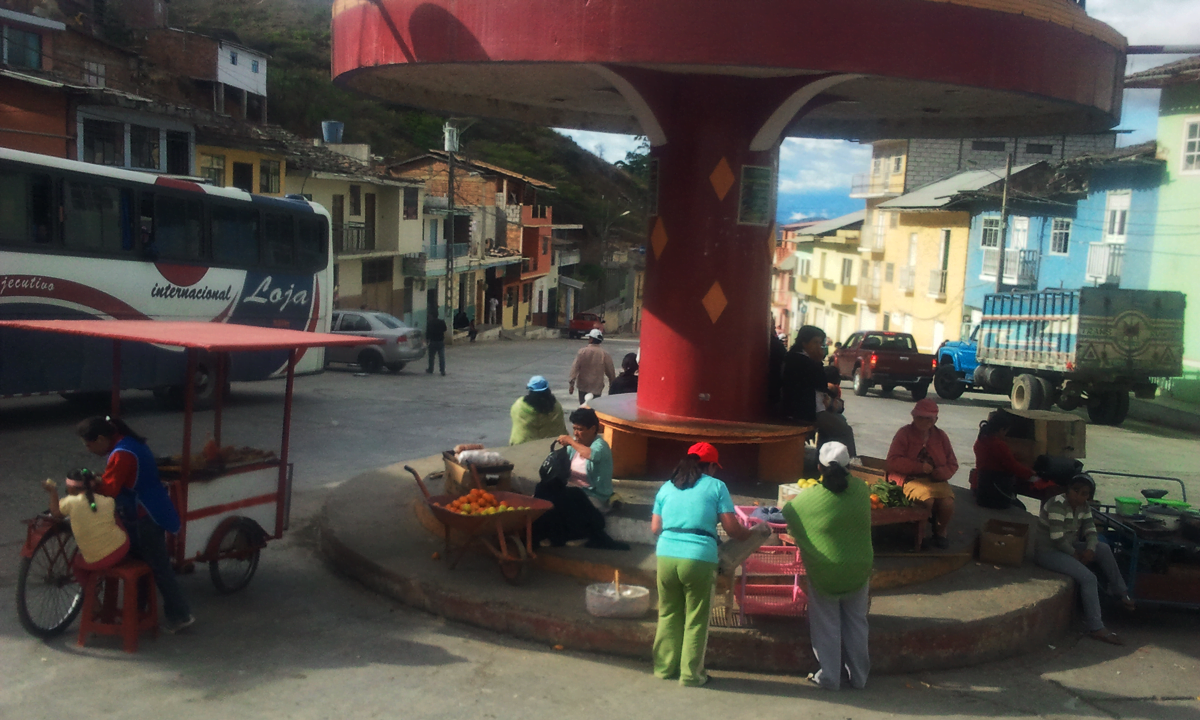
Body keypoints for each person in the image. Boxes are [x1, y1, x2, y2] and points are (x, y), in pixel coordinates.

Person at [79, 416, 194, 633]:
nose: (88, 449)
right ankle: (140, 611)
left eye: (88, 444)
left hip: (145, 514)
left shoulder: (122, 454)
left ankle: (181, 615)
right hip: (151, 509)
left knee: (160, 568)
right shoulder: (129, 443)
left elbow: (111, 490)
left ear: (102, 439)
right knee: (147, 563)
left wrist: (93, 485)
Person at [651, 442, 752, 687]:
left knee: (668, 613)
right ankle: (690, 675)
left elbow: (655, 528)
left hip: (665, 554)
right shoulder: (716, 486)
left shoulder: (666, 487)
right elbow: (731, 528)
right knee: (696, 618)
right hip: (698, 558)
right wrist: (749, 534)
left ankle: (664, 669)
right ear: (710, 467)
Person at [783, 442, 873, 691]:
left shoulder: (808, 499)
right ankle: (859, 678)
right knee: (856, 622)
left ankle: (830, 678)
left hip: (826, 571)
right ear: (849, 466)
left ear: (819, 467)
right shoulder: (862, 490)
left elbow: (788, 512)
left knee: (826, 624)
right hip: (859, 568)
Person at [1035, 473, 1135, 644]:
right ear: (1068, 490)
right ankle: (1096, 627)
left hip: (1070, 547)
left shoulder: (1085, 507)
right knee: (1089, 578)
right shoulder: (1057, 504)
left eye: (1084, 493)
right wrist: (1075, 554)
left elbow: (1091, 531)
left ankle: (1122, 592)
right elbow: (1057, 538)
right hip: (1048, 552)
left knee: (1102, 548)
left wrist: (1089, 549)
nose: (1079, 496)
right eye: (1076, 491)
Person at [886, 399, 958, 549]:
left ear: (935, 420)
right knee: (927, 500)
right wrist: (918, 467)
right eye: (920, 417)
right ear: (913, 417)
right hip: (909, 479)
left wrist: (942, 473)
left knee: (947, 502)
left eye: (928, 419)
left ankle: (940, 531)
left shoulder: (941, 436)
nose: (924, 422)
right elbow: (892, 461)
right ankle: (920, 535)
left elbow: (952, 463)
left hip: (935, 481)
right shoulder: (904, 433)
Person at [42, 469, 129, 586]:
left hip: (97, 561)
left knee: (77, 564)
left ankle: (91, 599)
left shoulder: (71, 502)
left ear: (71, 488)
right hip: (122, 548)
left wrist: (53, 492)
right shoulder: (108, 501)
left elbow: (55, 512)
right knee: (114, 519)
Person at [780, 325, 857, 456]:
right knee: (845, 430)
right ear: (804, 342)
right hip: (805, 411)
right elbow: (821, 383)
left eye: (820, 343)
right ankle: (852, 463)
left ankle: (823, 459)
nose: (818, 346)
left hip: (808, 408)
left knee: (837, 421)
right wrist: (819, 360)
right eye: (815, 342)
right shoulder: (801, 360)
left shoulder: (796, 357)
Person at [557, 407, 617, 513]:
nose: (575, 433)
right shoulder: (573, 446)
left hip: (593, 496)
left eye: (580, 429)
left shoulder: (601, 446)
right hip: (573, 490)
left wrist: (571, 441)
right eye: (574, 429)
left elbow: (591, 455)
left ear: (593, 429)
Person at [973, 410, 1034, 510]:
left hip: (980, 487)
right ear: (1001, 429)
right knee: (1021, 508)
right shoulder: (998, 445)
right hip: (994, 490)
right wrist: (1030, 473)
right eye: (1005, 431)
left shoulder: (981, 440)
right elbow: (1013, 466)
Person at [510, 376, 567, 445]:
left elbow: (513, 415)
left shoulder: (519, 405)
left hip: (522, 445)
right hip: (553, 446)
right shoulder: (556, 407)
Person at [568, 329, 615, 404]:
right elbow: (611, 372)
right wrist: (612, 385)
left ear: (591, 339)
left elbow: (575, 368)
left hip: (583, 386)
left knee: (583, 406)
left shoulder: (582, 352)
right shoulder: (604, 354)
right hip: (597, 388)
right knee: (594, 408)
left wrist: (571, 384)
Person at [426, 310, 447, 376]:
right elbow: (445, 329)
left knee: (431, 357)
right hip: (440, 341)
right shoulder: (441, 322)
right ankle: (442, 370)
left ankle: (431, 369)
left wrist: (427, 340)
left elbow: (427, 333)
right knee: (441, 357)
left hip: (433, 341)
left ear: (432, 315)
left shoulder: (430, 323)